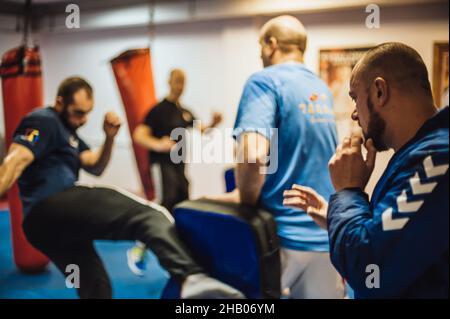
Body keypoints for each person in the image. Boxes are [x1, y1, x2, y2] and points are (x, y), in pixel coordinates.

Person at [0, 76, 244, 299]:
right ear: (60, 101)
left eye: (87, 114)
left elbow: (95, 166)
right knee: (149, 213)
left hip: (48, 229)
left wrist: (109, 138)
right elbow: (15, 161)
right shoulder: (43, 120)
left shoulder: (69, 132)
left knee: (95, 285)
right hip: (50, 206)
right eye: (77, 113)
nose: (83, 120)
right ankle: (192, 277)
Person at [284, 42, 449, 298]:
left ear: (379, 91)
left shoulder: (436, 159)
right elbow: (400, 240)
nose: (353, 114)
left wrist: (348, 191)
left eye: (354, 97)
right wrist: (336, 218)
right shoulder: (416, 153)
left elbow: (368, 268)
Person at [212, 15, 343, 298]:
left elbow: (252, 154)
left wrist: (244, 200)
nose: (260, 54)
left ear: (271, 44)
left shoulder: (264, 81)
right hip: (324, 235)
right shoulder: (321, 88)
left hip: (280, 239)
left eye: (261, 46)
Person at [133, 69, 222, 213]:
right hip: (162, 164)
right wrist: (158, 144)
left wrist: (214, 122)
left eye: (183, 82)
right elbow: (139, 135)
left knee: (183, 196)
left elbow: (201, 129)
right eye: (177, 81)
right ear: (169, 82)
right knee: (167, 199)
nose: (180, 86)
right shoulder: (158, 110)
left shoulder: (184, 111)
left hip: (179, 166)